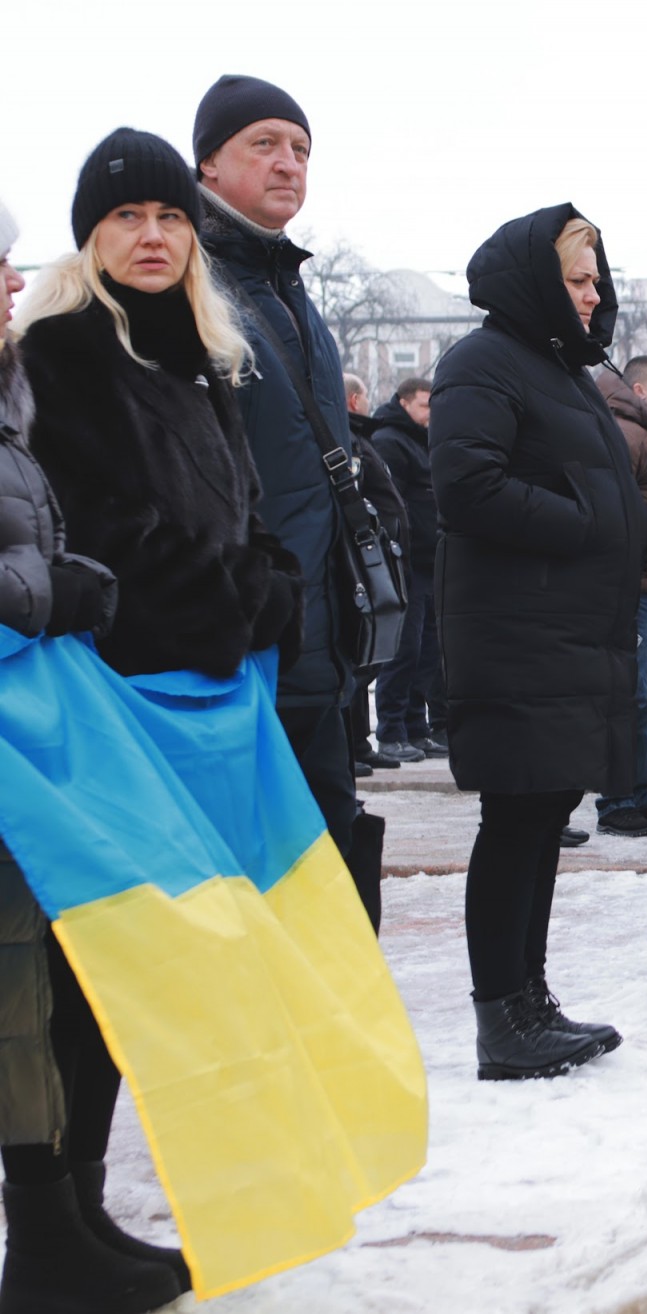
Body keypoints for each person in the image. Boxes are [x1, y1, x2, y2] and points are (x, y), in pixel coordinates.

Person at [17, 136, 312, 1307]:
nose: (153, 235)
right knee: (92, 966)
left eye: (170, 216)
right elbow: (101, 532)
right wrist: (240, 597)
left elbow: (242, 514)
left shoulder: (199, 355)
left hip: (197, 700)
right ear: (89, 236)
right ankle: (55, 1227)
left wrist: (273, 578)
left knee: (149, 965)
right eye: (127, 216)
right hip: (108, 697)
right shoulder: (63, 352)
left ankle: (81, 1212)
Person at [431, 204, 645, 1077]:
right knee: (517, 819)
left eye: (598, 279)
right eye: (577, 279)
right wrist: (587, 523)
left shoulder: (561, 368)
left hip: (567, 629)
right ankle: (502, 1017)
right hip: (517, 632)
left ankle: (529, 998)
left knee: (546, 814)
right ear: (536, 281)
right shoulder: (482, 361)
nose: (594, 295)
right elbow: (466, 486)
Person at [193, 75, 358, 862]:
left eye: (300, 149)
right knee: (254, 867)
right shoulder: (189, 282)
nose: (288, 163)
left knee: (322, 858)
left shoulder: (287, 286)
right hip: (239, 640)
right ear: (208, 164)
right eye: (264, 144)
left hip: (315, 630)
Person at [592, 353, 647, 836]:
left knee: (646, 699)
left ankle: (638, 795)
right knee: (630, 698)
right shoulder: (625, 433)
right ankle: (616, 802)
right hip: (632, 588)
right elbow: (610, 512)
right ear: (640, 391)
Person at [369, 375, 445, 763]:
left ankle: (417, 729)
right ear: (404, 403)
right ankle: (391, 732)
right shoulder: (389, 441)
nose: (431, 413)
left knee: (428, 651)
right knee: (404, 650)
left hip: (431, 562)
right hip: (407, 563)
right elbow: (391, 506)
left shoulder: (424, 441)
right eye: (425, 405)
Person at [341, 373, 410, 780]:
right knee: (359, 655)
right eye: (364, 395)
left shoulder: (361, 437)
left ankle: (359, 744)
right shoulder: (350, 438)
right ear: (354, 399)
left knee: (371, 654)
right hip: (362, 559)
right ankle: (351, 746)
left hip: (381, 557)